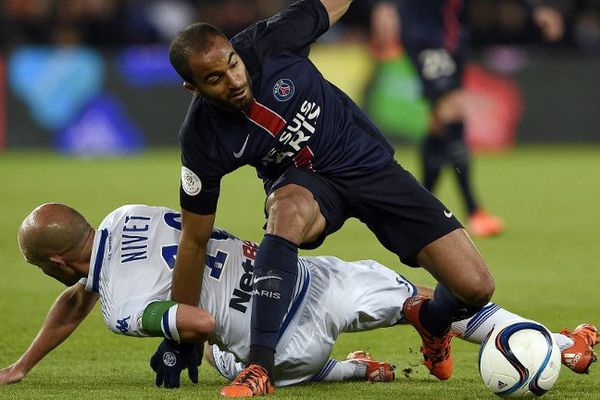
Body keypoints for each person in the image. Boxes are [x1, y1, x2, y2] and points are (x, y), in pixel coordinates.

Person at [167, 0, 498, 395]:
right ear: (193, 88)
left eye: (233, 63)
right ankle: (258, 367)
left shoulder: (271, 41)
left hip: (369, 166)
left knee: (475, 287)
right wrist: (181, 336)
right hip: (306, 184)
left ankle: (431, 318)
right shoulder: (202, 138)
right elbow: (194, 238)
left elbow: (329, 5)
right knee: (286, 210)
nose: (234, 80)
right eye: (215, 78)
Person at [2, 203, 597, 391]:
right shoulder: (122, 216)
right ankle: (562, 346)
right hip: (309, 279)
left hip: (285, 344)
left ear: (56, 261)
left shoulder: (122, 307)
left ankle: (344, 371)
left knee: (219, 352)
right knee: (431, 299)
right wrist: (26, 363)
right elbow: (83, 291)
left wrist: (170, 335)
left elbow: (198, 319)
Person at [370, 0, 564, 237]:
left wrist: (535, 10)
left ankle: (415, 209)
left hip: (453, 38)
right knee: (451, 112)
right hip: (426, 38)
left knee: (440, 122)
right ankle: (473, 210)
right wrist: (384, 7)